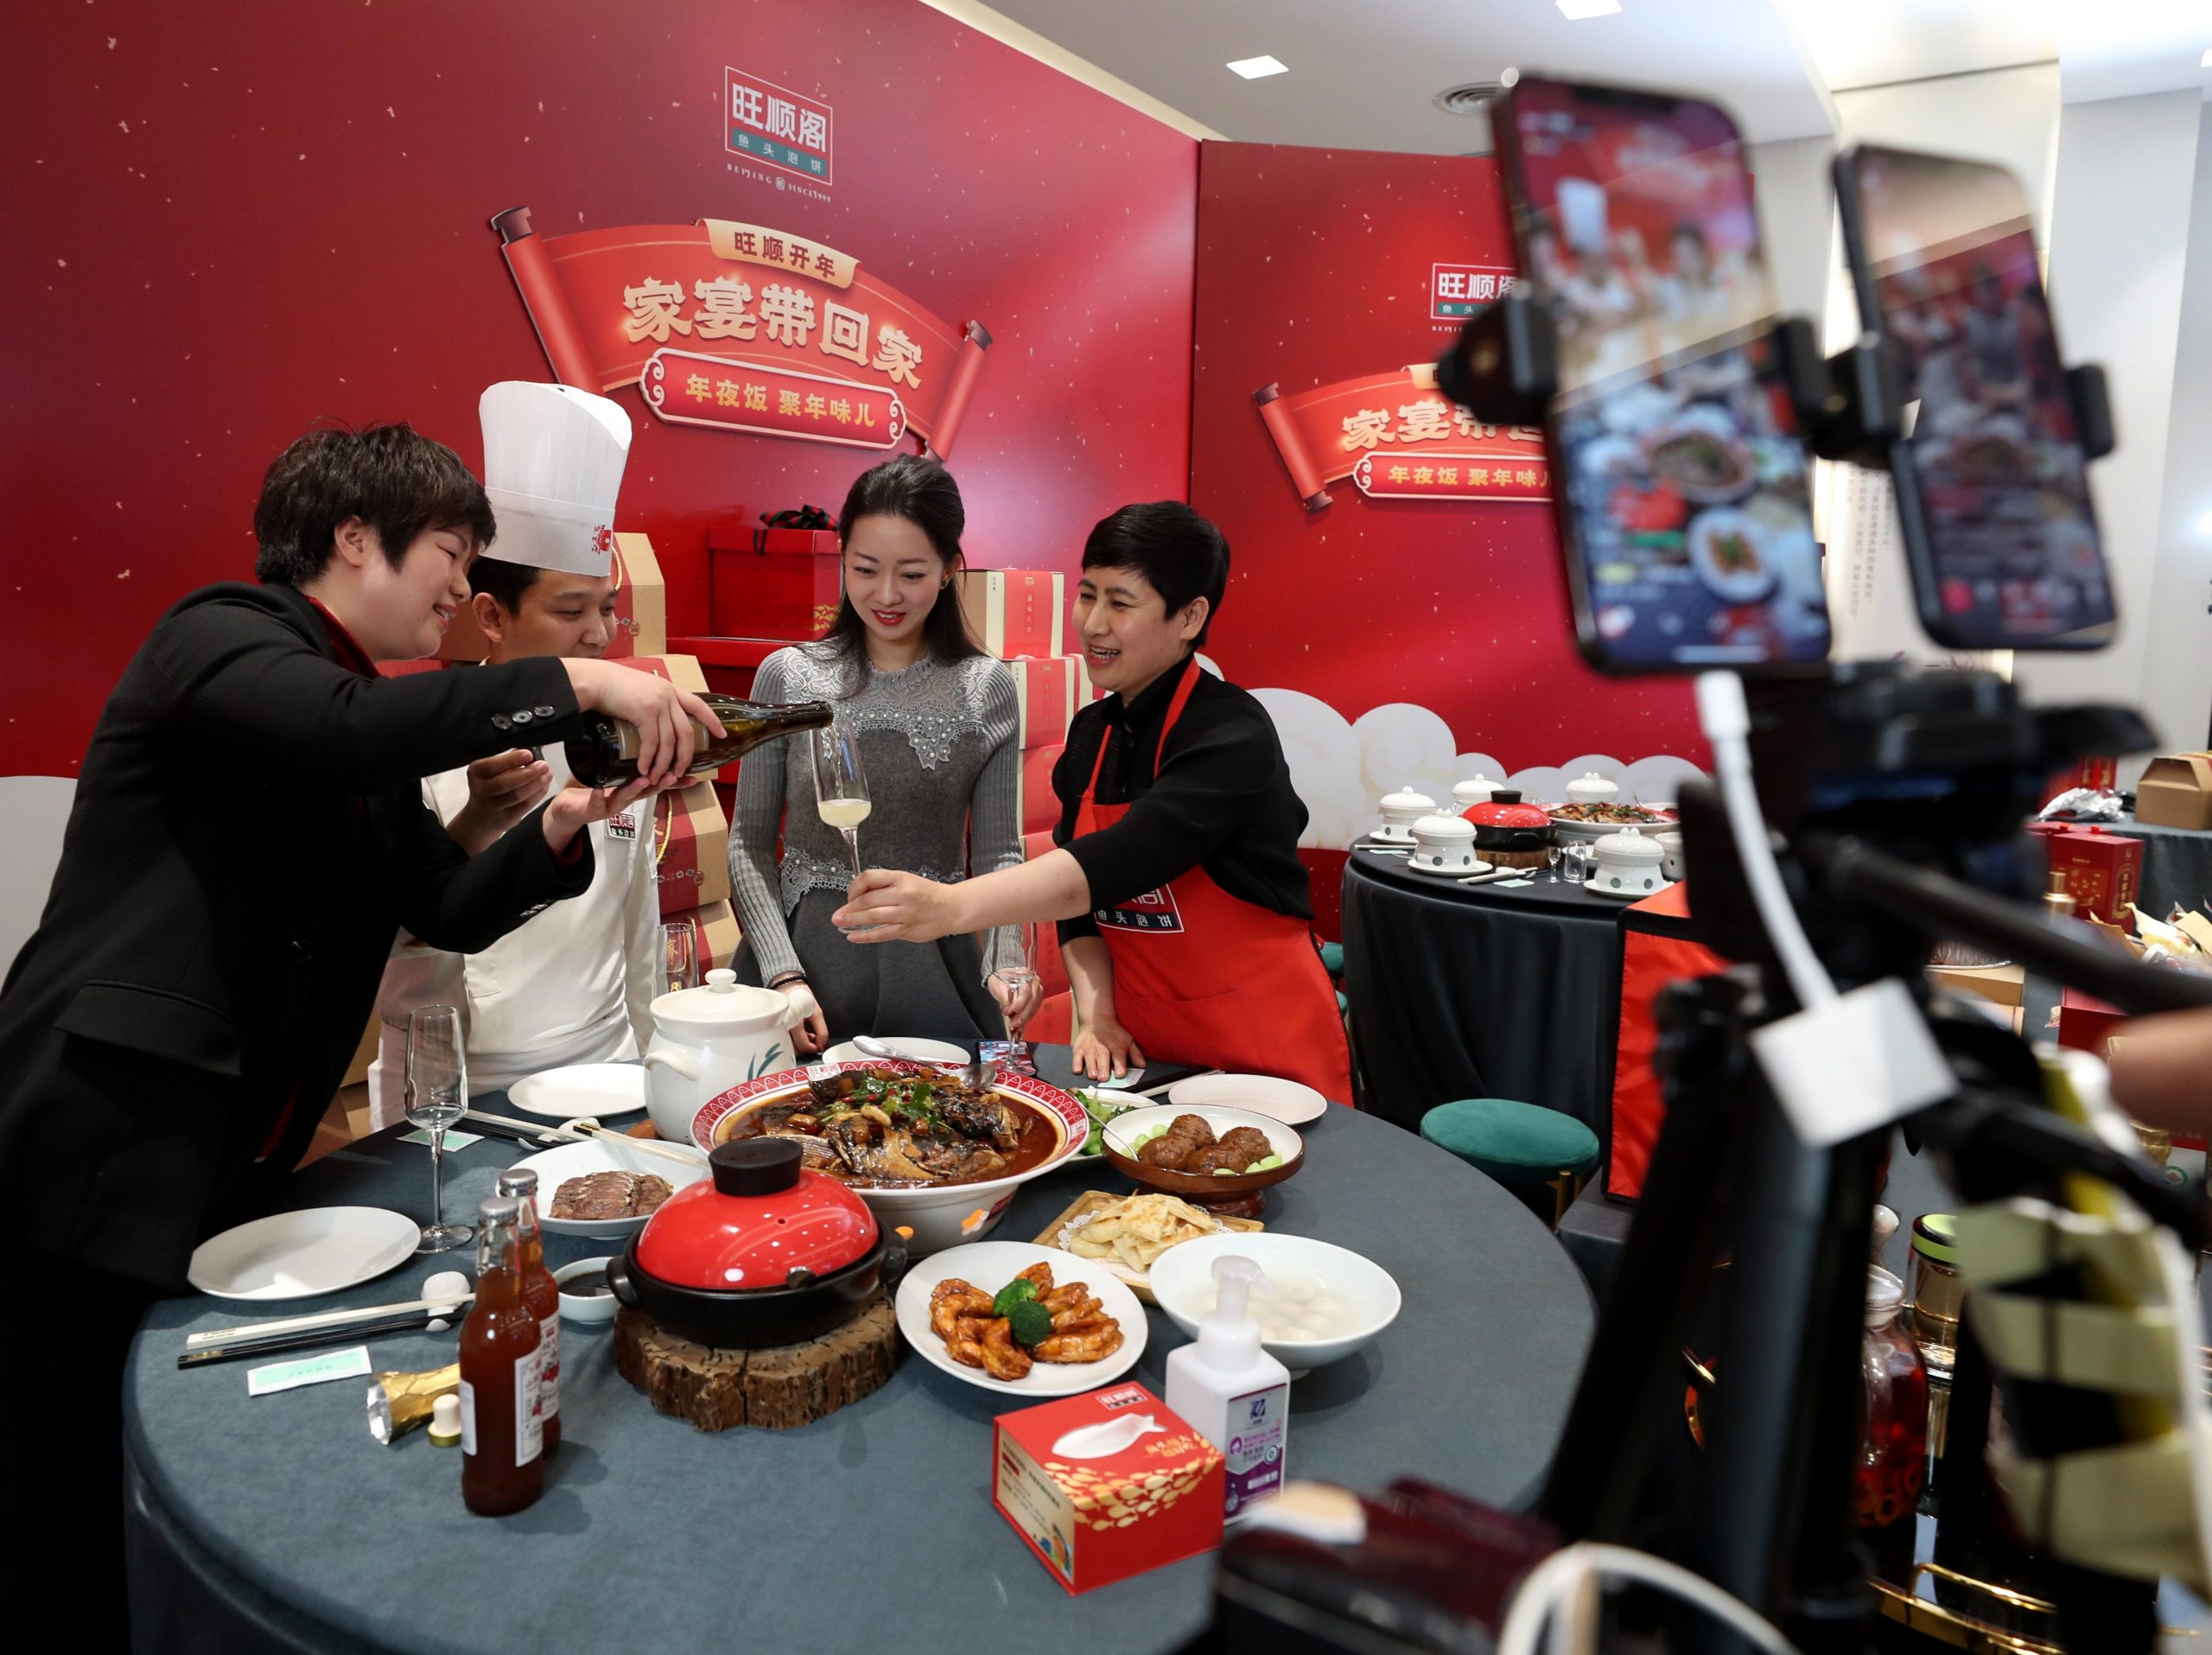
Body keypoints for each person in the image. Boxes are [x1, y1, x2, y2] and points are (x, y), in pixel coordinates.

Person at [0, 419, 716, 1643]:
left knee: (179, 1438)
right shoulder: (220, 636)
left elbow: (436, 905)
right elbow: (336, 728)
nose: (459, 585)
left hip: (237, 1152)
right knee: (57, 1478)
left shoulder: (367, 728)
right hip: (103, 1135)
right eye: (449, 550)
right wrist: (586, 680)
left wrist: (561, 822)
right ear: (349, 536)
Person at [832, 501, 1351, 1098]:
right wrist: (1097, 1013)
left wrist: (950, 908)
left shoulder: (1232, 733)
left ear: (1189, 617)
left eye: (1121, 602)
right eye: (1088, 595)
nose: (1094, 623)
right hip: (1147, 1052)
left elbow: (1121, 858)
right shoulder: (1092, 734)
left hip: (1267, 1045)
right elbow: (1083, 905)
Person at [366, 385, 663, 1107]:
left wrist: (661, 1067)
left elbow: (641, 934)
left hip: (611, 1072)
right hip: (468, 1089)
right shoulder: (422, 741)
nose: (597, 635)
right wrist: (475, 829)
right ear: (492, 617)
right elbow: (403, 950)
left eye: (607, 610)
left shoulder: (620, 741)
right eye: (570, 611)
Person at [728, 455, 1033, 1051]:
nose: (886, 595)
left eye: (912, 574)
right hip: (804, 974)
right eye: (866, 569)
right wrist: (782, 974)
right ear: (842, 556)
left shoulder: (985, 687)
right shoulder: (788, 677)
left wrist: (1007, 960)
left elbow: (1000, 852)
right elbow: (747, 843)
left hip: (937, 970)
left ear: (948, 569)